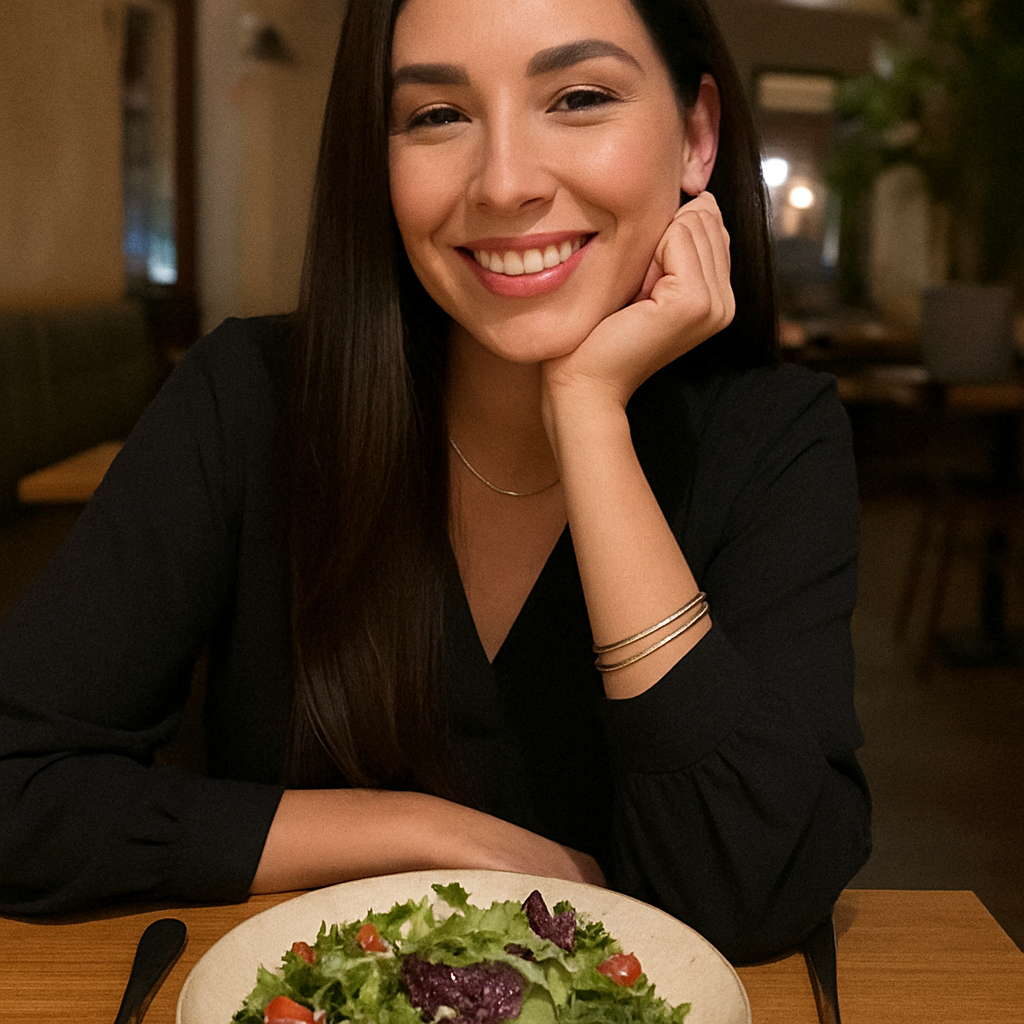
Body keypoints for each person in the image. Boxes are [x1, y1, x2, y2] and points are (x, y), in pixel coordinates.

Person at [0, 0, 870, 963]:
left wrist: (587, 414)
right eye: (436, 115)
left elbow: (752, 891)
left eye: (578, 97)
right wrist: (429, 834)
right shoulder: (247, 401)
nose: (503, 184)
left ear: (697, 136)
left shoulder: (773, 438)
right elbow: (16, 784)